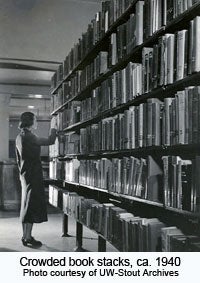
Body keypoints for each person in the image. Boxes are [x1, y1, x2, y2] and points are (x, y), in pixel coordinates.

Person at [15, 112, 57, 248]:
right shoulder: (30, 136)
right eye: (35, 120)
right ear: (30, 122)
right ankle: (27, 237)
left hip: (25, 174)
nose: (37, 122)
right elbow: (50, 141)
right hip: (32, 175)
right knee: (30, 206)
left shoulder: (19, 137)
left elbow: (18, 160)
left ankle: (26, 236)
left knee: (26, 205)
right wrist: (53, 127)